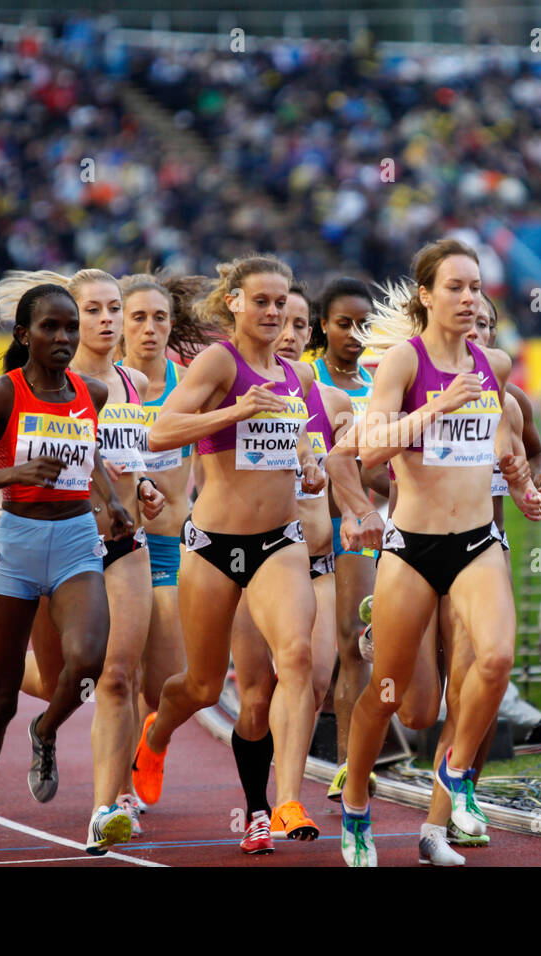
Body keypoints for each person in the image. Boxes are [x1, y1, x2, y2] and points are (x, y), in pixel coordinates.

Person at [333, 237, 541, 867]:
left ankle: (455, 778)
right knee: (393, 695)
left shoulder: (495, 366)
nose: (468, 298)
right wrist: (434, 408)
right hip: (412, 545)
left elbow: (503, 440)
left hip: (478, 540)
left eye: (475, 287)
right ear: (425, 295)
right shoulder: (403, 361)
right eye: (454, 287)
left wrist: (526, 488)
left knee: (498, 658)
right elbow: (368, 451)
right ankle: (354, 805)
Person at [0, 282, 133, 866]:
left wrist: (111, 500)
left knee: (89, 661)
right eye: (51, 327)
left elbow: (86, 452)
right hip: (17, 545)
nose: (65, 338)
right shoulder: (3, 394)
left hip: (75, 540)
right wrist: (14, 472)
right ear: (24, 335)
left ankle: (45, 731)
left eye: (71, 327)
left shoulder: (90, 391)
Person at [132, 254, 326, 845]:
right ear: (235, 303)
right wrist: (238, 407)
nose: (274, 313)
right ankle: (157, 734)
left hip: (279, 542)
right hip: (213, 544)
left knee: (295, 658)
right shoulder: (221, 361)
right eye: (261, 301)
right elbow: (160, 430)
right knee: (200, 683)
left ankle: (289, 801)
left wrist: (310, 463)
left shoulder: (299, 378)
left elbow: (296, 449)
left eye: (282, 303)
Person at [229, 280, 375, 854]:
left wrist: (354, 478)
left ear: (308, 332)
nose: (286, 335)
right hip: (246, 557)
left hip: (315, 560)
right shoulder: (235, 384)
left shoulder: (332, 402)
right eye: (277, 322)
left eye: (297, 325)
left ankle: (288, 800)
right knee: (256, 697)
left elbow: (361, 475)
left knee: (312, 677)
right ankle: (256, 806)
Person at [114, 272, 213, 826]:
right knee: (117, 672)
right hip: (115, 548)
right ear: (120, 324)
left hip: (173, 546)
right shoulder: (108, 386)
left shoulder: (191, 383)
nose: (149, 329)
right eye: (137, 318)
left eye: (159, 318)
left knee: (172, 684)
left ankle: (151, 739)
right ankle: (124, 785)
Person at [308, 277, 388, 790]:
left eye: (365, 324)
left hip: (368, 528)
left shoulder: (381, 387)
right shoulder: (308, 379)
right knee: (322, 657)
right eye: (343, 324)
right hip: (315, 527)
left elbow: (383, 465)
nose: (355, 334)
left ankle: (349, 768)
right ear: (323, 325)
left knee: (358, 644)